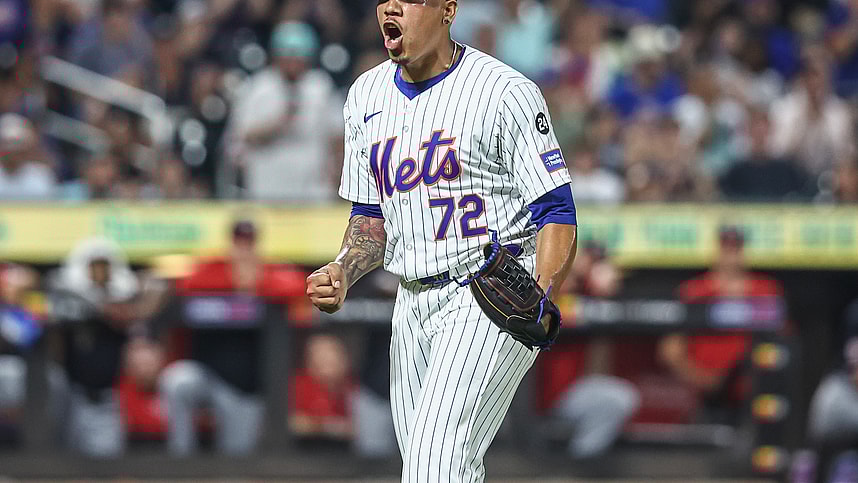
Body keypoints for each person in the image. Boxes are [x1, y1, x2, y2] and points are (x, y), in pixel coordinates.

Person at [306, 1, 578, 481]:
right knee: (439, 469)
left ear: (448, 9)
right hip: (410, 300)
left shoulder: (504, 92)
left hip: (488, 290)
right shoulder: (365, 95)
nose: (391, 7)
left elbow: (556, 211)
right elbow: (370, 217)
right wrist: (343, 269)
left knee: (434, 466)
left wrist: (539, 292)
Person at [158, 220, 304, 456]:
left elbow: (298, 287)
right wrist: (235, 281)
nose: (243, 250)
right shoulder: (214, 270)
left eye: (249, 243)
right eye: (239, 243)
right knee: (176, 382)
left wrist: (255, 283)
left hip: (245, 390)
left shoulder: (269, 273)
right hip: (208, 377)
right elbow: (188, 284)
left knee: (236, 459)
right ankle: (180, 461)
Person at [657, 226, 783, 425]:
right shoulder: (694, 292)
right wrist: (703, 379)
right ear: (716, 249)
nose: (731, 253)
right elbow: (670, 350)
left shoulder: (766, 289)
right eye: (726, 245)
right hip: (706, 397)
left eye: (736, 246)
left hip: (755, 395)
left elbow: (782, 345)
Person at [228, 21, 338, 202]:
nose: (293, 64)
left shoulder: (320, 86)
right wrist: (277, 124)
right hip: (268, 188)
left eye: (299, 57)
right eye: (287, 57)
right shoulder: (259, 87)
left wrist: (336, 170)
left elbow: (336, 134)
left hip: (312, 190)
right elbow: (242, 135)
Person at [51, 237, 140, 457]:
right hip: (71, 396)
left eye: (104, 266)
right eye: (94, 267)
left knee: (105, 464)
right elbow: (58, 312)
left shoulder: (126, 299)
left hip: (107, 400)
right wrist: (95, 307)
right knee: (60, 464)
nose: (100, 273)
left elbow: (127, 317)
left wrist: (110, 310)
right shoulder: (66, 298)